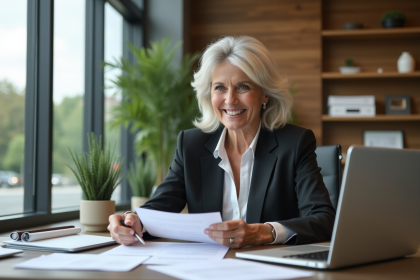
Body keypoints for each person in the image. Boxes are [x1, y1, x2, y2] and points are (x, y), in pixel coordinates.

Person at [108, 36, 335, 248]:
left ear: (265, 94)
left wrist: (264, 232)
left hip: (268, 267)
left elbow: (324, 220)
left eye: (243, 87)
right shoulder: (191, 145)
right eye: (220, 88)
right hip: (207, 269)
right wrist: (132, 221)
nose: (230, 99)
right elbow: (160, 207)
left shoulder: (294, 143)